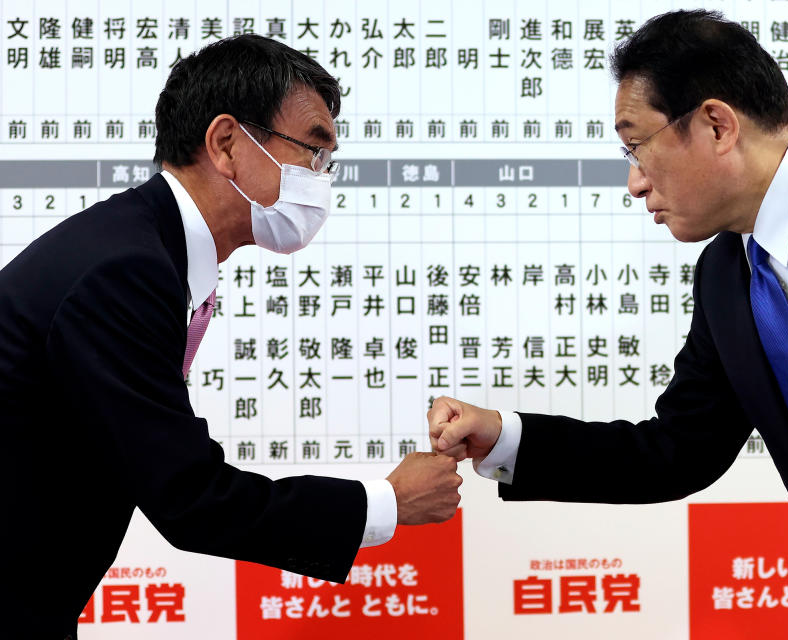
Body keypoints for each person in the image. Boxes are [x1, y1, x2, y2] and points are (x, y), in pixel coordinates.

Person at [429, 10, 788, 640]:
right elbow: (678, 450)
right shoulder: (724, 276)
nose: (634, 182)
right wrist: (505, 439)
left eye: (636, 145)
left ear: (716, 124)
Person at [0, 34, 461, 638]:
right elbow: (190, 498)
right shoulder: (124, 269)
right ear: (225, 144)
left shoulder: (146, 247)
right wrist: (386, 504)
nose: (321, 180)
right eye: (312, 151)